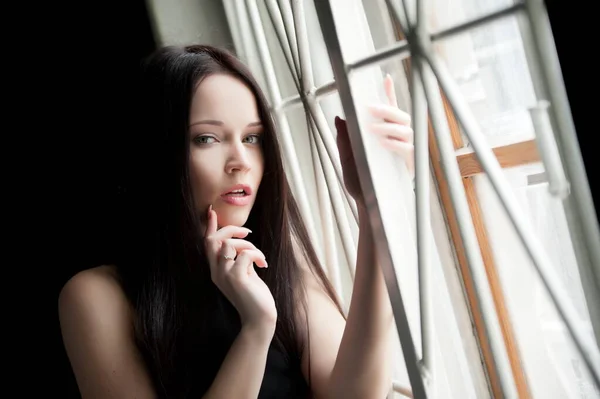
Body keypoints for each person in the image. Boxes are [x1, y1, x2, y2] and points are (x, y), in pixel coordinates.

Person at [58, 44, 414, 399]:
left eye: (252, 137)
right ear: (157, 152)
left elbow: (356, 395)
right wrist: (256, 331)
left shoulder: (273, 263)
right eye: (207, 138)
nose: (240, 161)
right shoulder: (96, 296)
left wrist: (373, 214)